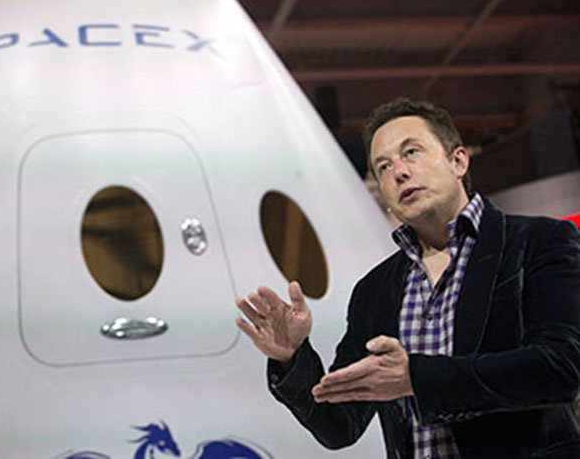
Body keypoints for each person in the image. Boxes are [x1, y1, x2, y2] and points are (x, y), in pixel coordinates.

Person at [235, 98, 580, 459]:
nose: (398, 172)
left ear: (458, 161)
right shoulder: (375, 290)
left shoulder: (539, 242)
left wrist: (416, 378)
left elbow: (563, 368)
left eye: (411, 152)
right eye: (383, 167)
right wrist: (293, 358)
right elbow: (339, 425)